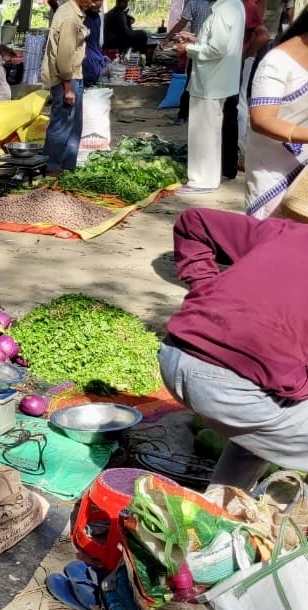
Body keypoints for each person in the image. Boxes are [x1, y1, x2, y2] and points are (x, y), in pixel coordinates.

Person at [158, 208, 308, 493]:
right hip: (229, 389)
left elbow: (193, 221)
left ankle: (219, 513)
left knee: (263, 426)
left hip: (174, 353)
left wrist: (204, 292)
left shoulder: (284, 231)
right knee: (274, 405)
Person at [176, 0, 244, 194]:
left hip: (210, 82)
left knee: (203, 134)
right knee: (210, 132)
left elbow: (216, 49)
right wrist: (196, 40)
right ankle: (207, 178)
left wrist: (187, 49)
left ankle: (202, 180)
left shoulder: (224, 10)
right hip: (217, 80)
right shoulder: (234, 6)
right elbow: (217, 42)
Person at [246, 10, 308, 218]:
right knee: (274, 238)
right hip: (273, 171)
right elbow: (262, 120)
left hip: (304, 172)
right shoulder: (277, 62)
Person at [41, 0, 95, 175]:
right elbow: (64, 56)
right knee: (62, 125)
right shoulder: (70, 18)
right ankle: (53, 167)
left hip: (73, 77)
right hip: (67, 79)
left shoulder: (71, 11)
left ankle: (66, 166)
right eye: (93, 0)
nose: (95, 4)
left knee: (72, 126)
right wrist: (68, 86)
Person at [82, 3, 107, 85]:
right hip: (87, 61)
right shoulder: (81, 18)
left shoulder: (97, 18)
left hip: (95, 57)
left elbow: (95, 42)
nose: (96, 3)